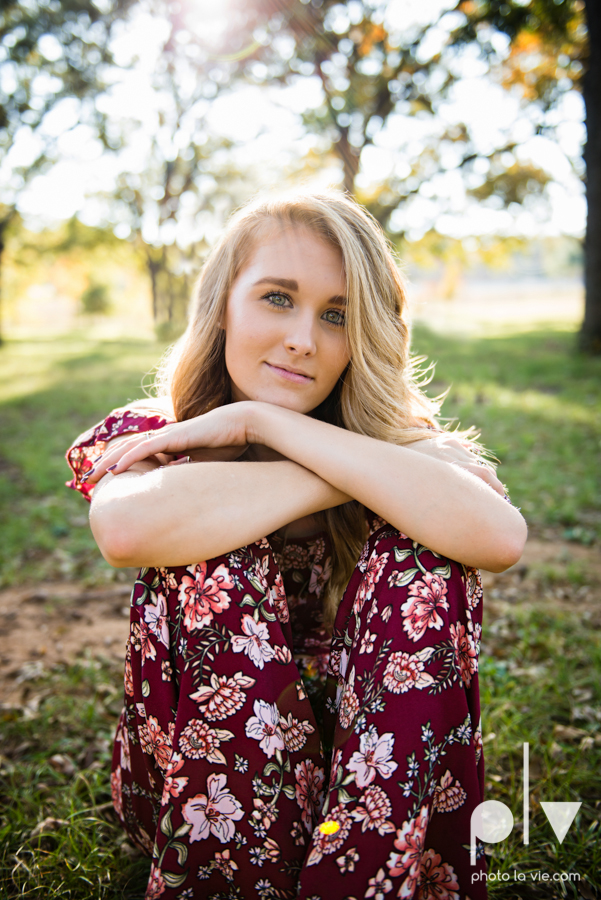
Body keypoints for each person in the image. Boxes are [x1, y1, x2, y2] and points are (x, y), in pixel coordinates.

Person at [66, 191, 526, 900]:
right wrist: (344, 475)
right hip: (203, 791)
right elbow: (126, 531)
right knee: (217, 553)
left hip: (373, 795)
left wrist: (266, 425)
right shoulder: (159, 436)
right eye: (277, 298)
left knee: (422, 559)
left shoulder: (391, 451)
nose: (304, 340)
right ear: (223, 305)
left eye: (336, 315)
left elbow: (498, 538)